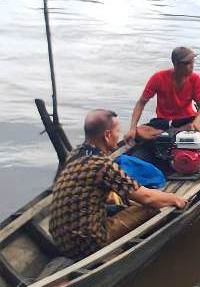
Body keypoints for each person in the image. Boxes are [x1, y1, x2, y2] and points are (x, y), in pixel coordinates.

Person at [50, 109, 187, 260]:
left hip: (59, 242)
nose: (119, 136)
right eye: (117, 131)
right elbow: (147, 197)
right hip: (89, 243)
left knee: (118, 203)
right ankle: (147, 253)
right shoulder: (102, 165)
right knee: (151, 208)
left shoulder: (74, 155)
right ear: (107, 135)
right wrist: (175, 199)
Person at [125, 46, 200, 143]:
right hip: (163, 121)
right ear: (176, 64)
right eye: (187, 63)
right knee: (139, 131)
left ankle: (168, 135)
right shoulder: (158, 78)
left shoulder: (195, 79)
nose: (191, 66)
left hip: (186, 119)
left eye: (192, 62)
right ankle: (174, 134)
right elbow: (141, 103)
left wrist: (196, 122)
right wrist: (132, 128)